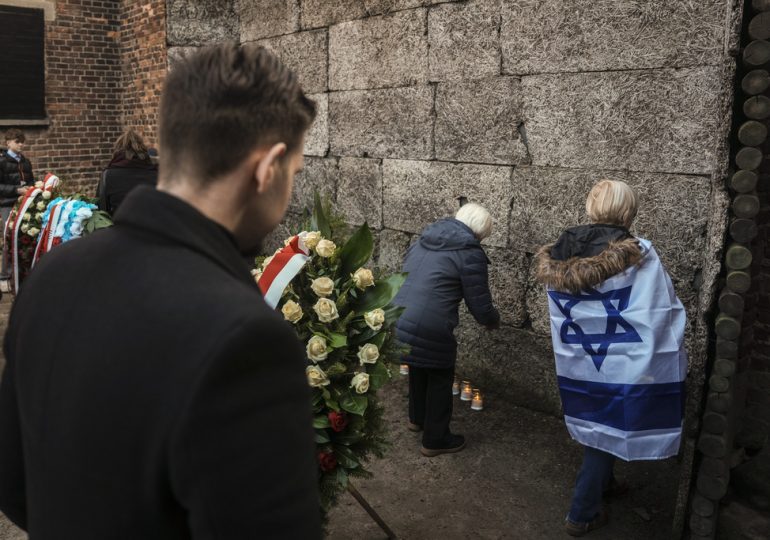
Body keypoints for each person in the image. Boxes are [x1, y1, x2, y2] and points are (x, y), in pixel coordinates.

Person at [0, 44, 321, 539]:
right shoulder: (246, 339)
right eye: (294, 174)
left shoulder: (51, 275)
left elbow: (15, 487)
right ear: (268, 167)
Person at [535, 180, 687, 536]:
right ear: (629, 211)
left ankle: (605, 485)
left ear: (591, 207)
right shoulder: (640, 253)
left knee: (599, 419)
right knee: (610, 422)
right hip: (624, 357)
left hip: (582, 359)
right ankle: (581, 512)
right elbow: (659, 308)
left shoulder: (561, 253)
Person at [393, 203, 500, 457]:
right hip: (431, 322)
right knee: (441, 372)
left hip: (398, 314)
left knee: (419, 362)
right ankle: (436, 438)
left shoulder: (425, 238)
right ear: (478, 233)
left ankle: (417, 418)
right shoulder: (469, 252)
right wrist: (492, 321)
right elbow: (480, 303)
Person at [96, 128, 159, 215]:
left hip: (119, 226)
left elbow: (101, 211)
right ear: (143, 149)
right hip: (151, 227)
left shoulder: (108, 176)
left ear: (118, 150)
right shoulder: (156, 174)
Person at [0, 129, 35, 283]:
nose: (21, 144)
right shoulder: (1, 162)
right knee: (9, 237)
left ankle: (23, 272)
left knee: (26, 237)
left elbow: (31, 181)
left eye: (22, 141)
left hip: (25, 203)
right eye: (17, 141)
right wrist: (16, 190)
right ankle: (5, 276)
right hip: (8, 205)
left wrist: (31, 188)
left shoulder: (26, 161)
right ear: (8, 143)